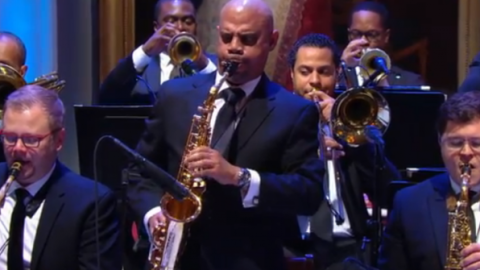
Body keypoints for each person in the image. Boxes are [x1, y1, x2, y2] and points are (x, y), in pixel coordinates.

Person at [126, 0, 324, 269]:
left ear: (272, 40)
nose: (234, 47)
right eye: (226, 36)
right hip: (177, 258)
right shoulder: (174, 95)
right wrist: (152, 215)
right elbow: (139, 172)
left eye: (248, 39)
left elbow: (308, 193)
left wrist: (239, 177)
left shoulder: (294, 112)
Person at [287, 33, 400, 269]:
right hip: (289, 247)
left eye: (324, 71)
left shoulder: (356, 123)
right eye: (305, 72)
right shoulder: (276, 123)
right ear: (292, 74)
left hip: (347, 251)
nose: (314, 81)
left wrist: (349, 137)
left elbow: (391, 193)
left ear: (337, 73)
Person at [0, 85, 121, 270]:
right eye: (9, 137)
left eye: (30, 140)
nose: (17, 148)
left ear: (58, 141)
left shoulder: (92, 204)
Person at [378, 90, 480, 270]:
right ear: (440, 142)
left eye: (477, 143)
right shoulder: (409, 203)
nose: (466, 153)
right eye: (455, 143)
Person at [99, 0, 218, 105]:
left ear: (196, 26)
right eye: (171, 21)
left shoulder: (210, 65)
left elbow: (225, 97)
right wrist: (145, 51)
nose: (180, 27)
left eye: (188, 21)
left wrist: (201, 62)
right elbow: (106, 96)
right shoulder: (140, 69)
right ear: (157, 27)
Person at [339, 1, 425, 87]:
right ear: (349, 35)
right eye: (356, 34)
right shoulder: (337, 76)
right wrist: (341, 68)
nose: (363, 41)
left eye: (372, 34)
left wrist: (384, 86)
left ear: (386, 36)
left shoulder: (411, 81)